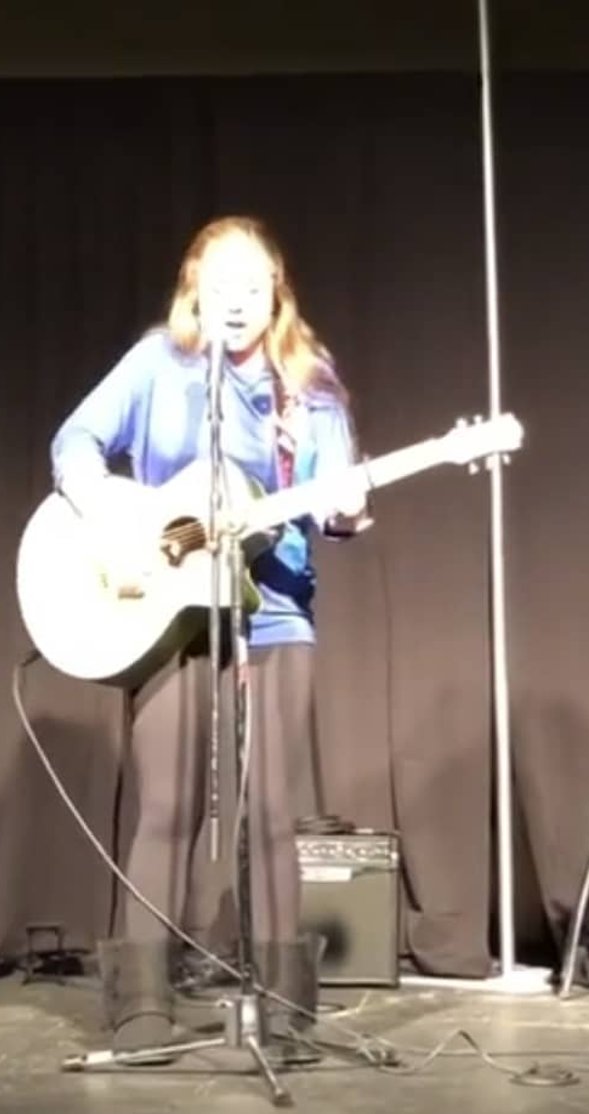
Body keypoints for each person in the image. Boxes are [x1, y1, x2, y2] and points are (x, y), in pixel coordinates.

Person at [50, 215, 370, 1056]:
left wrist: (345, 504)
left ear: (277, 293)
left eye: (255, 287)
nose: (238, 302)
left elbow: (340, 501)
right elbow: (75, 441)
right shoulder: (159, 362)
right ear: (195, 287)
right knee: (168, 806)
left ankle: (285, 1012)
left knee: (272, 813)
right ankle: (141, 1007)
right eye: (221, 285)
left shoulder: (309, 380)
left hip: (272, 611)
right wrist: (112, 512)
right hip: (166, 612)